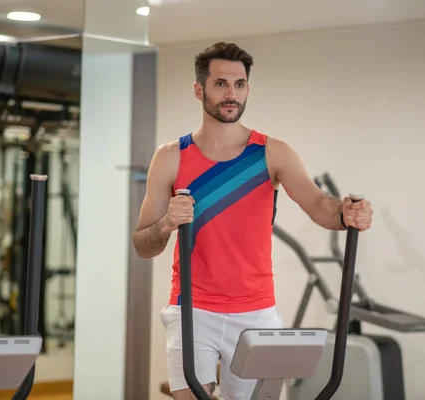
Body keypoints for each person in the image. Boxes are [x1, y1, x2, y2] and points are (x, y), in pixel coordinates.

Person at [132, 41, 374, 400]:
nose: (232, 94)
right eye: (221, 84)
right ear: (199, 90)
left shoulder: (272, 153)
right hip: (192, 310)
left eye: (240, 84)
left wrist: (345, 212)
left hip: (256, 313)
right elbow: (142, 245)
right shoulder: (170, 158)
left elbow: (318, 204)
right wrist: (167, 223)